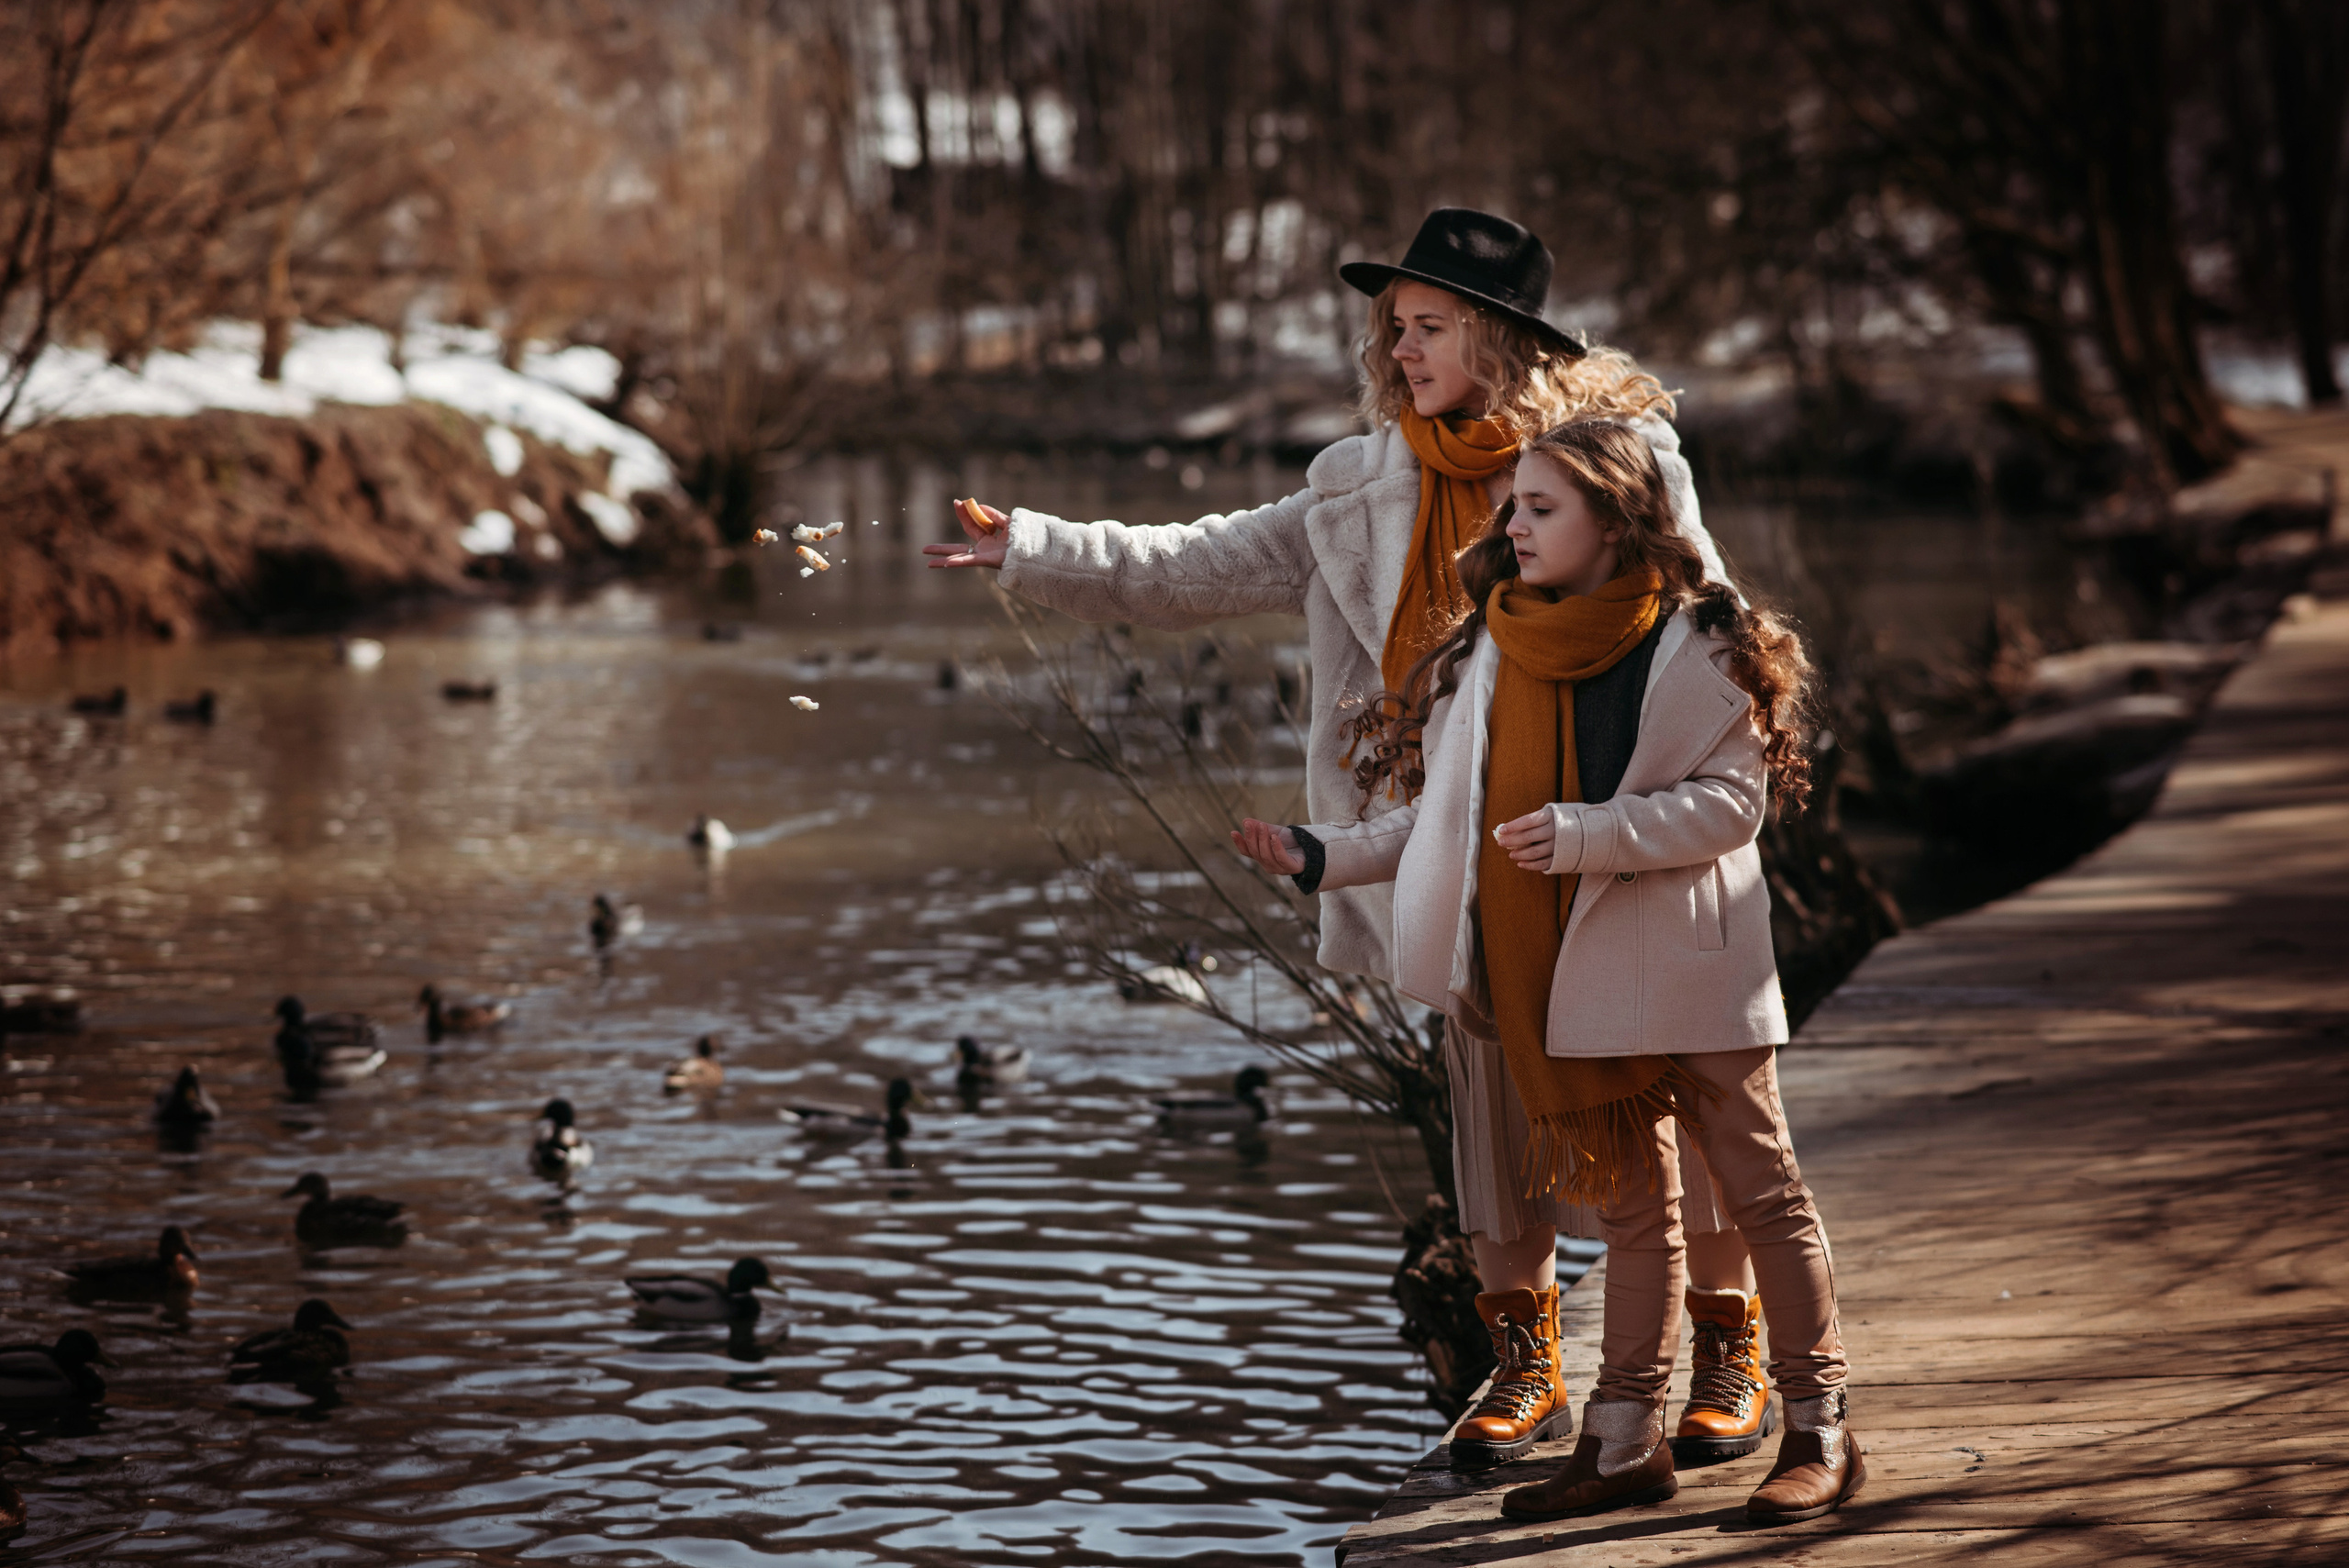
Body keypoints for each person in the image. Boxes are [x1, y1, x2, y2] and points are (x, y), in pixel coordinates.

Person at [926, 208, 1771, 1467]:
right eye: (1397, 327)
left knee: (1673, 1095)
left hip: (1612, 829)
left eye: (1430, 326)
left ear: (1500, 338)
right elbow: (1191, 569)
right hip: (1454, 843)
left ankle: (1728, 1343)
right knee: (1488, 1106)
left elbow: (1710, 635)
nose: (1403, 347)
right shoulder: (1359, 487)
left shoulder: (1621, 463)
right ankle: (1523, 1358)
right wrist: (1029, 546)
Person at [1230, 417, 1861, 1525]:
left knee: (1761, 1191)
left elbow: (1731, 805)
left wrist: (1586, 832)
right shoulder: (1495, 646)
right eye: (1512, 503)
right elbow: (1451, 820)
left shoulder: (1699, 639)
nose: (1509, 524)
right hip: (1571, 975)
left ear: (1615, 521)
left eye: (1538, 507)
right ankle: (1623, 1443)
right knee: (1630, 1212)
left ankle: (1820, 1429)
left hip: (1693, 959)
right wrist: (1322, 854)